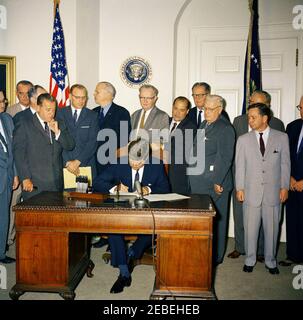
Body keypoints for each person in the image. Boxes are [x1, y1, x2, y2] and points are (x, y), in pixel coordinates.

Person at [93, 139, 170, 294]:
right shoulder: (120, 163)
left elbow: (166, 189)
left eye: (139, 162)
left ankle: (132, 253)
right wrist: (115, 188)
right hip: (124, 211)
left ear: (146, 158)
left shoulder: (156, 165)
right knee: (113, 228)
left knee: (154, 229)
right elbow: (98, 182)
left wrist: (149, 189)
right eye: (131, 160)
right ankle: (124, 272)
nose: (134, 164)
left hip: (147, 212)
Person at [228, 90, 285, 261]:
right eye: (250, 102)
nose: (251, 106)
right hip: (242, 176)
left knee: (265, 218)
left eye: (256, 103)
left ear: (267, 106)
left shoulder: (277, 125)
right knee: (240, 215)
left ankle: (261, 252)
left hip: (265, 181)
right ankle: (240, 246)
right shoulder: (238, 121)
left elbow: (280, 157)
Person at [189, 95, 235, 265]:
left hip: (215, 184)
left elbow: (225, 157)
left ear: (220, 109)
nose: (206, 112)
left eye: (210, 109)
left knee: (216, 222)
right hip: (199, 181)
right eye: (205, 108)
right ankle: (203, 253)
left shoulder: (225, 128)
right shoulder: (204, 124)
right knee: (202, 220)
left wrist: (218, 181)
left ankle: (215, 257)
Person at [13, 93, 75, 200]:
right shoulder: (24, 123)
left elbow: (70, 146)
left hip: (56, 184)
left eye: (54, 110)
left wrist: (58, 133)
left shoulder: (58, 123)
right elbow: (19, 153)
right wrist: (25, 178)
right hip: (34, 184)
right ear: (38, 108)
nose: (52, 113)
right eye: (48, 110)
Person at [6, 85, 47, 246]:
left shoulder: (45, 116)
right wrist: (24, 176)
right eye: (43, 96)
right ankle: (10, 242)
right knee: (19, 212)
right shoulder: (21, 118)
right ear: (33, 99)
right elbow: (18, 151)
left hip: (42, 176)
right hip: (26, 174)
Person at [57, 84, 99, 180]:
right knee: (65, 195)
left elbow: (92, 142)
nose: (81, 101)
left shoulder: (92, 116)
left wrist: (77, 162)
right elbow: (58, 140)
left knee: (85, 195)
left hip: (85, 164)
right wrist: (67, 162)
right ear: (70, 96)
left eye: (84, 97)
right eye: (77, 97)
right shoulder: (59, 113)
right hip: (65, 165)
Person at [279, 96, 303, 266]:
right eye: (300, 107)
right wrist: (289, 177)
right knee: (293, 219)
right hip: (292, 182)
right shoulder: (293, 127)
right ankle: (293, 255)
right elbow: (285, 155)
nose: (302, 110)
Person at [93, 81, 131, 175]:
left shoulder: (122, 113)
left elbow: (124, 141)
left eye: (97, 92)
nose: (94, 94)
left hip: (112, 164)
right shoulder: (93, 112)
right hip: (94, 163)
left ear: (108, 94)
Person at [167, 96, 196, 195]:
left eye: (182, 110)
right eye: (175, 108)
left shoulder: (191, 127)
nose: (177, 112)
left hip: (178, 176)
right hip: (161, 174)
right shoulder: (164, 121)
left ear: (187, 111)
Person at [0, 111, 19, 263]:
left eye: (3, 100)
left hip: (6, 177)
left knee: (3, 217)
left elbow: (13, 149)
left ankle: (1, 253)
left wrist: (15, 174)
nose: (3, 104)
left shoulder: (6, 119)